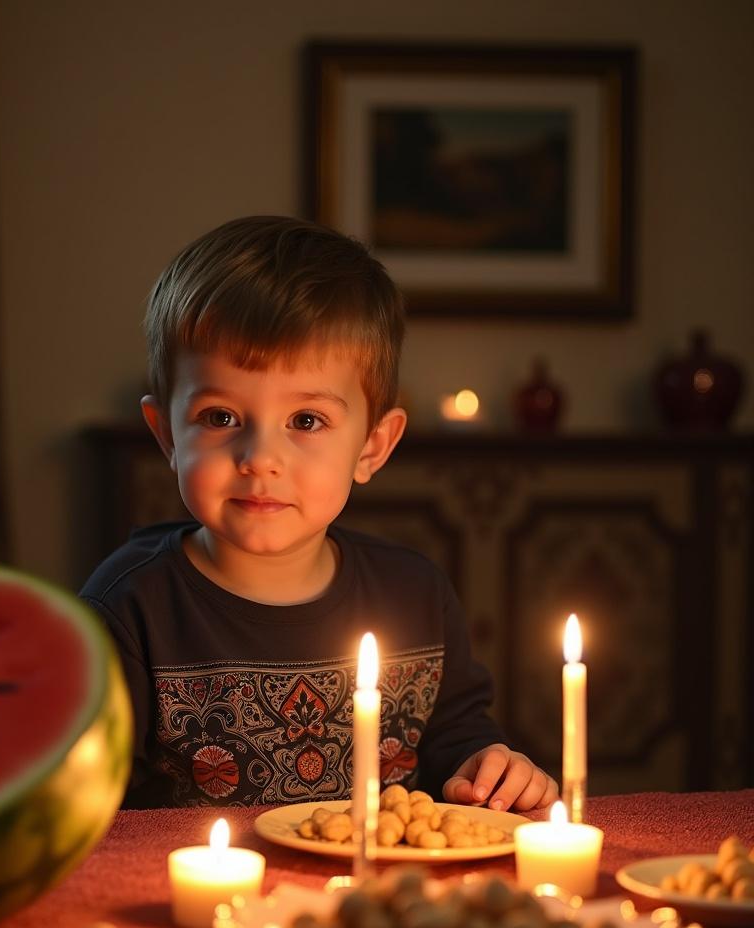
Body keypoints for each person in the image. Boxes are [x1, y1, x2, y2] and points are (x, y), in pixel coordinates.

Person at [80, 214, 557, 813]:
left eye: (306, 421)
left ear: (373, 446)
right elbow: (90, 810)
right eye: (220, 417)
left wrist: (490, 769)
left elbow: (453, 740)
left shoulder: (414, 594)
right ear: (166, 435)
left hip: (376, 902)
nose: (260, 459)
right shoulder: (127, 609)